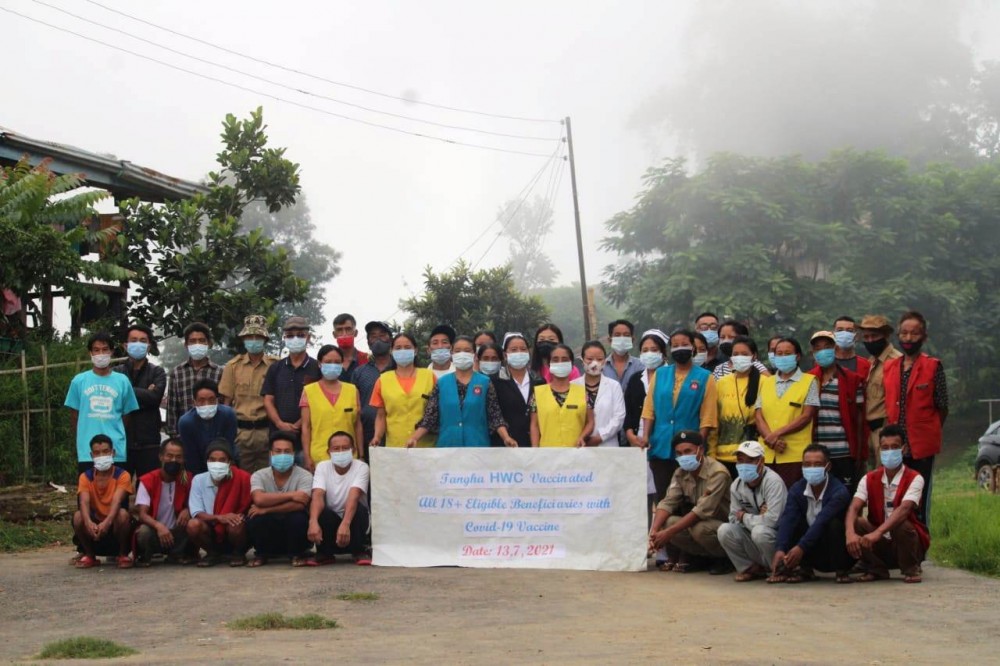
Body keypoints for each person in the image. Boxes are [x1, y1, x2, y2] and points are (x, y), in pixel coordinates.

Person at [882, 310, 946, 527]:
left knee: (918, 497)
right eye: (904, 333)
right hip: (894, 447)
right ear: (898, 335)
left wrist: (922, 433)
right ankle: (897, 546)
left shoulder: (933, 366)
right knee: (894, 496)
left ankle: (921, 546)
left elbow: (942, 407)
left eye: (914, 334)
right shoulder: (890, 367)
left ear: (924, 337)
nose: (908, 339)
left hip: (921, 446)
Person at [639, 329, 718, 502]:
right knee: (663, 497)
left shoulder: (706, 377)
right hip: (660, 446)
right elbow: (649, 409)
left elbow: (708, 416)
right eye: (675, 345)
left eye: (684, 344)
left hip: (689, 450)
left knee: (688, 499)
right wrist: (645, 436)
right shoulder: (660, 374)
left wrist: (698, 445)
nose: (679, 348)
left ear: (693, 348)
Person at [845, 425, 929, 583]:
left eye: (895, 447)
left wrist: (877, 533)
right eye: (885, 447)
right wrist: (849, 532)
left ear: (903, 449)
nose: (889, 451)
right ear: (879, 450)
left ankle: (911, 568)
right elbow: (854, 507)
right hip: (881, 543)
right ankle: (877, 569)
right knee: (857, 522)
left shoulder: (915, 478)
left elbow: (904, 509)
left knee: (901, 524)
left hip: (906, 543)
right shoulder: (868, 478)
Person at [648, 431, 733, 574]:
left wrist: (668, 533)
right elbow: (668, 502)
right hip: (699, 523)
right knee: (668, 522)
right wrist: (654, 531)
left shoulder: (718, 473)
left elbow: (701, 511)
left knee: (699, 528)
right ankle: (703, 557)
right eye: (679, 453)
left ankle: (724, 558)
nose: (684, 457)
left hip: (723, 524)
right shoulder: (680, 472)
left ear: (701, 449)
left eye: (688, 451)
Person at [770, 444, 854, 584]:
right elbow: (788, 519)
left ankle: (841, 570)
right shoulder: (797, 489)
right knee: (795, 521)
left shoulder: (839, 491)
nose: (812, 469)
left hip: (835, 548)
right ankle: (805, 570)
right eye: (807, 464)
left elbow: (821, 521)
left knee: (833, 524)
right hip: (811, 548)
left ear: (828, 467)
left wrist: (801, 547)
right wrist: (780, 548)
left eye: (818, 464)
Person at [411, 336, 516, 447]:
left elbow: (495, 416)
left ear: (474, 355)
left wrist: (506, 437)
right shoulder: (441, 383)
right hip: (447, 446)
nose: (462, 354)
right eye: (458, 351)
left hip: (477, 447)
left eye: (467, 351)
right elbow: (429, 418)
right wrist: (414, 438)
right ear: (452, 354)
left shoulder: (485, 382)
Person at [65, 331, 139, 473]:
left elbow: (127, 415)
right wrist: (82, 437)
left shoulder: (122, 381)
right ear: (90, 353)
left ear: (111, 352)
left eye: (105, 349)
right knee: (88, 491)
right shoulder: (79, 381)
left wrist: (116, 432)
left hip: (115, 450)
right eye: (96, 350)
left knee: (117, 491)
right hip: (87, 451)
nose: (101, 353)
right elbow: (74, 415)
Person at [718, 441, 788, 581]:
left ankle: (780, 570)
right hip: (754, 535)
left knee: (760, 532)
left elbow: (773, 521)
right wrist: (756, 517)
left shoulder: (773, 482)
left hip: (778, 539)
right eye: (740, 460)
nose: (744, 465)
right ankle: (751, 569)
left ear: (761, 461)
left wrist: (744, 517)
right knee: (724, 530)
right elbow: (733, 518)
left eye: (750, 460)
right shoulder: (736, 485)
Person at [755, 337, 819, 487]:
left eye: (787, 353)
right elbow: (758, 415)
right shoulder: (766, 381)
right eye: (779, 353)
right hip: (767, 452)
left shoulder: (809, 381)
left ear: (797, 356)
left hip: (794, 454)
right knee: (767, 496)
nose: (783, 357)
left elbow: (806, 416)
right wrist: (770, 439)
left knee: (792, 496)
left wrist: (775, 435)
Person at [807, 331, 866, 493]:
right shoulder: (808, 380)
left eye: (827, 346)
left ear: (836, 348)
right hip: (817, 455)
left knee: (846, 498)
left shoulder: (853, 380)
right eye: (818, 348)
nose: (823, 351)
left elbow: (859, 420)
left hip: (844, 452)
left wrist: (859, 453)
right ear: (813, 353)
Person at [219, 315, 276, 474]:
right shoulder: (232, 367)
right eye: (249, 337)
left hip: (267, 431)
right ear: (243, 339)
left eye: (257, 336)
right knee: (243, 478)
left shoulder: (275, 365)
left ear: (264, 338)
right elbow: (226, 403)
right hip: (241, 432)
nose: (253, 340)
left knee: (268, 477)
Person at [247, 431, 314, 567]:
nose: (282, 455)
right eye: (278, 451)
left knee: (298, 518)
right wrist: (291, 495)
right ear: (271, 454)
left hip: (292, 523)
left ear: (294, 454)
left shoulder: (305, 476)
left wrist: (267, 509)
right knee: (256, 518)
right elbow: (259, 499)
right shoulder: (259, 475)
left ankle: (296, 554)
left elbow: (301, 504)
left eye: (287, 451)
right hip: (270, 525)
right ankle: (262, 554)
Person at [261, 316, 321, 463]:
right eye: (290, 336)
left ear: (308, 338)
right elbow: (268, 400)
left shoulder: (317, 368)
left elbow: (320, 401)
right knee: (278, 482)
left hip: (307, 441)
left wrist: (299, 423)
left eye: (300, 335)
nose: (295, 339)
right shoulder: (276, 368)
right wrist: (279, 423)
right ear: (284, 338)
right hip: (279, 440)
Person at [307, 431, 371, 565]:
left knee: (359, 509)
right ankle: (325, 553)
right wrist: (312, 521)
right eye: (336, 448)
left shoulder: (362, 467)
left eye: (345, 448)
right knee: (320, 511)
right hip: (332, 519)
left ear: (353, 450)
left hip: (353, 519)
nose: (341, 451)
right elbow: (317, 495)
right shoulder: (322, 467)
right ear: (328, 451)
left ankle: (359, 551)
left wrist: (345, 524)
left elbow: (354, 496)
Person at [71, 434, 134, 569]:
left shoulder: (123, 475)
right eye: (97, 453)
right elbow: (84, 502)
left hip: (114, 525)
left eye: (105, 452)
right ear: (91, 455)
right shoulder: (85, 477)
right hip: (95, 524)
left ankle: (122, 554)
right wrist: (88, 522)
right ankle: (90, 555)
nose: (101, 456)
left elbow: (117, 501)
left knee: (123, 515)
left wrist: (107, 522)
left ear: (113, 453)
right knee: (78, 517)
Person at [186, 439, 251, 567]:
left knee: (236, 524)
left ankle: (238, 553)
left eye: (222, 460)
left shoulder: (242, 478)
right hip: (211, 528)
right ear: (207, 461)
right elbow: (196, 513)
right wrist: (220, 518)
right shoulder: (198, 480)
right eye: (212, 460)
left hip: (235, 527)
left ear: (229, 462)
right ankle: (212, 553)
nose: (217, 463)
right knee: (193, 525)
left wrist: (237, 517)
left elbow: (249, 506)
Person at [114, 323, 166, 477]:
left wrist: (126, 390)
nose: (138, 344)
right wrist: (145, 393)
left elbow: (155, 398)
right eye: (134, 340)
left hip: (149, 442)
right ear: (125, 345)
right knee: (119, 490)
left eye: (143, 341)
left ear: (149, 346)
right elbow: (115, 401)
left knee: (148, 492)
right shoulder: (116, 372)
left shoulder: (157, 372)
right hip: (121, 441)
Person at [301, 344, 363, 470]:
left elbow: (357, 425)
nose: (333, 365)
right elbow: (306, 426)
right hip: (319, 455)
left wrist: (361, 455)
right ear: (319, 364)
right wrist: (307, 456)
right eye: (328, 362)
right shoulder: (308, 391)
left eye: (337, 362)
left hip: (348, 455)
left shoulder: (352, 390)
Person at [369, 332, 437, 448]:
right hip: (395, 445)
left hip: (425, 445)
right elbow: (381, 416)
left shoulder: (429, 376)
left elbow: (435, 413)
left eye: (407, 347)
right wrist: (377, 437)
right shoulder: (383, 380)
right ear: (391, 351)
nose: (403, 351)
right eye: (398, 348)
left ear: (415, 350)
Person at [134, 438, 195, 566]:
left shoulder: (188, 478)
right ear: (161, 457)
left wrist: (188, 510)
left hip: (178, 532)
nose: (174, 460)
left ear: (183, 459)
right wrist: (158, 526)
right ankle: (146, 555)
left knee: (194, 524)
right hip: (156, 532)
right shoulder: (148, 480)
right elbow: (142, 514)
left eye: (178, 457)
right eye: (169, 456)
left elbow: (199, 506)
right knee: (144, 532)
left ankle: (178, 555)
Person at [712, 336, 763, 478]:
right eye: (735, 354)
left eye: (744, 354)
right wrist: (711, 454)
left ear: (754, 356)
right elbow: (714, 419)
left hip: (751, 456)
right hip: (722, 456)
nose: (739, 357)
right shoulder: (721, 383)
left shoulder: (765, 382)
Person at [530, 344, 595, 447]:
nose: (560, 363)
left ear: (571, 363)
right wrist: (535, 450)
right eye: (555, 360)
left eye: (564, 359)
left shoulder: (584, 393)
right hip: (546, 455)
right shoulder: (538, 393)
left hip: (575, 454)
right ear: (548, 364)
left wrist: (582, 437)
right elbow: (534, 425)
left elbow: (590, 422)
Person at [858, 314, 902, 465]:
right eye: (866, 336)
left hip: (885, 430)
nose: (870, 340)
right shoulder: (871, 362)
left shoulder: (896, 361)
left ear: (885, 335)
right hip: (868, 431)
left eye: (874, 336)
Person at [165, 322, 222, 436]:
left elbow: (224, 406)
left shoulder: (219, 372)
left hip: (213, 435)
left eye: (201, 340)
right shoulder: (177, 373)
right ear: (186, 345)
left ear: (209, 343)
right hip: (185, 435)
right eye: (193, 341)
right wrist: (174, 435)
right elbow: (172, 408)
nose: (197, 344)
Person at [491, 333, 546, 447]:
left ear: (528, 353)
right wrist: (506, 437)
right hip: (505, 444)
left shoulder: (539, 381)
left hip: (535, 444)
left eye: (523, 349)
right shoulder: (496, 381)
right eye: (514, 350)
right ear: (505, 355)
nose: (519, 353)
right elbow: (495, 414)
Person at [177, 379, 238, 474]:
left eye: (211, 400)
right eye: (201, 400)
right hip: (198, 468)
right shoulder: (186, 422)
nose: (207, 404)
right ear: (194, 402)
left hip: (225, 464)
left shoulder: (228, 415)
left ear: (217, 400)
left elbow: (229, 445)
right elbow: (191, 456)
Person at [572, 341, 626, 446]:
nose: (594, 363)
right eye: (590, 359)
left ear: (605, 362)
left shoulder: (614, 386)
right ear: (582, 360)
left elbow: (619, 417)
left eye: (599, 359)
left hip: (607, 445)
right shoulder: (573, 386)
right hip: (578, 445)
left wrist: (600, 437)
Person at [354, 321, 394, 453]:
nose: (378, 339)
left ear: (390, 340)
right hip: (368, 435)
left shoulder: (401, 369)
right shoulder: (359, 373)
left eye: (382, 335)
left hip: (397, 434)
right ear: (368, 342)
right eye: (373, 336)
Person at [603, 319, 642, 390]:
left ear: (632, 340)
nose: (622, 338)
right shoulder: (601, 367)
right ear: (609, 340)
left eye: (626, 335)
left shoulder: (641, 366)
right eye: (617, 335)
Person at [332, 313, 369, 383]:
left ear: (355, 333)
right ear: (334, 334)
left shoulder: (367, 359)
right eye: (339, 330)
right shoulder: (327, 362)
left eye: (348, 329)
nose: (344, 334)